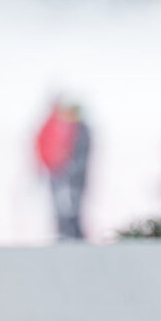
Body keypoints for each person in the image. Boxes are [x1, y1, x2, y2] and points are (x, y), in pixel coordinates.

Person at [35, 99, 91, 240]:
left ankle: (73, 233)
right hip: (60, 173)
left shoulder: (78, 129)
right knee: (64, 205)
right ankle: (67, 232)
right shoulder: (62, 126)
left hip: (71, 175)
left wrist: (69, 169)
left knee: (71, 206)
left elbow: (80, 154)